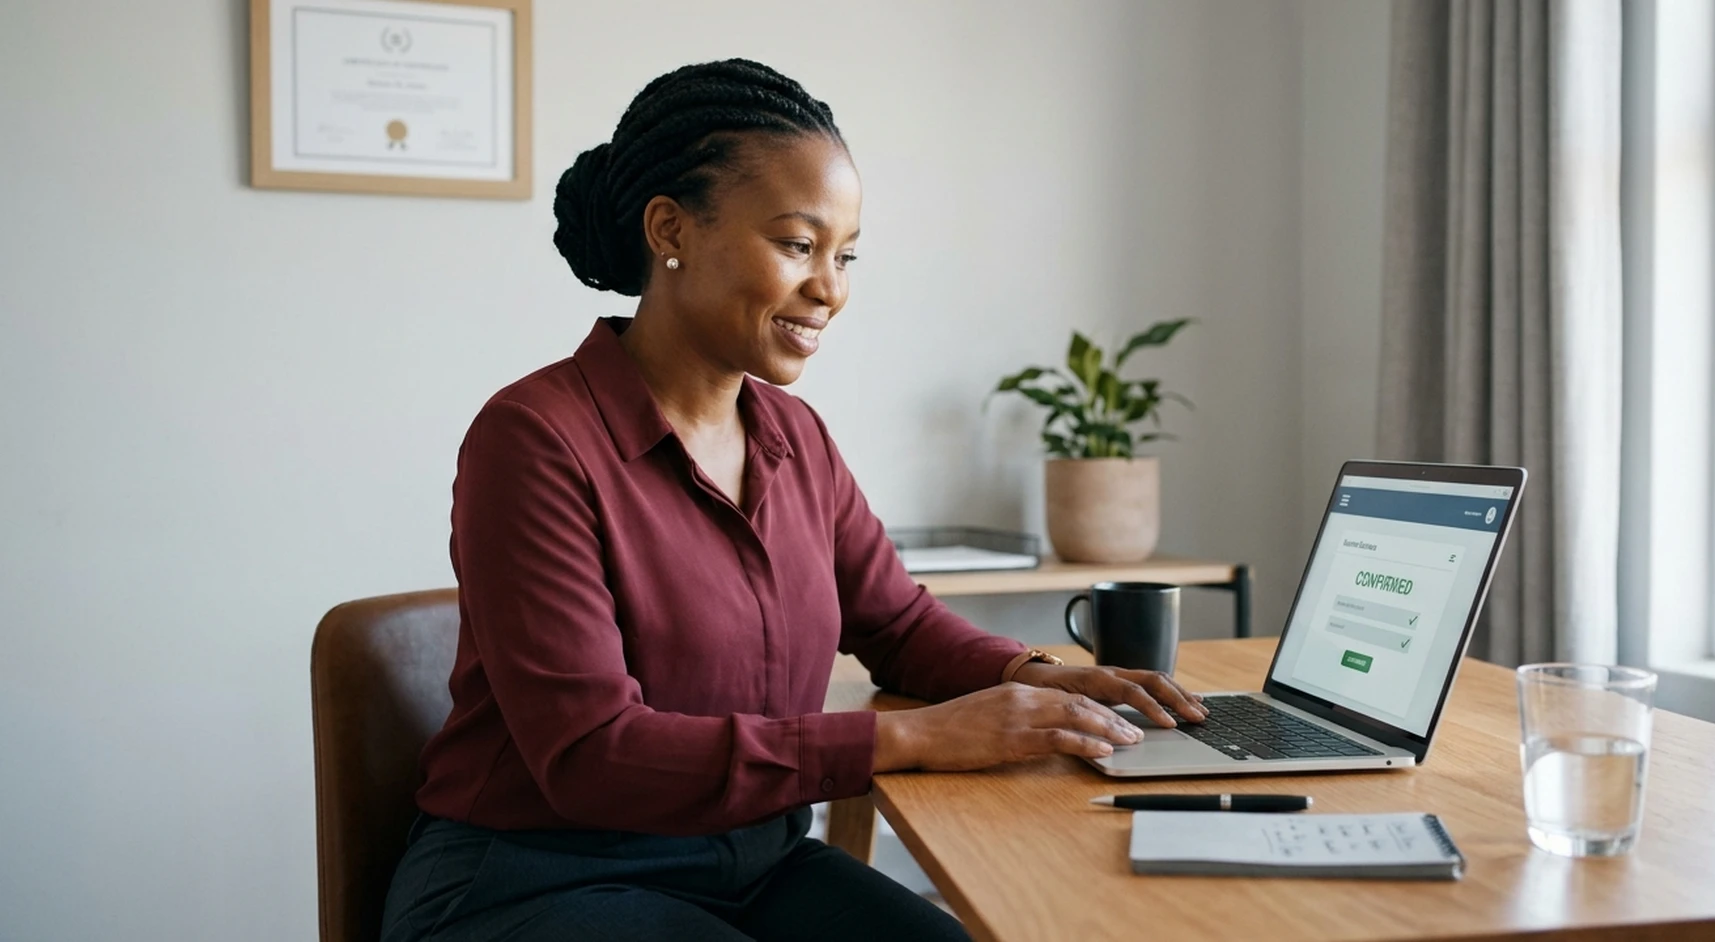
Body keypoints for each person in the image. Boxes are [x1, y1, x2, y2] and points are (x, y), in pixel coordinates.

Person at [380, 58, 1207, 942]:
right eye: (797, 244)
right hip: (540, 881)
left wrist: (1032, 679)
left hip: (754, 862)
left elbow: (896, 623)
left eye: (845, 254)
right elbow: (592, 757)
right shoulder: (535, 439)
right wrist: (914, 739)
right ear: (672, 230)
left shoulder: (793, 435)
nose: (831, 288)